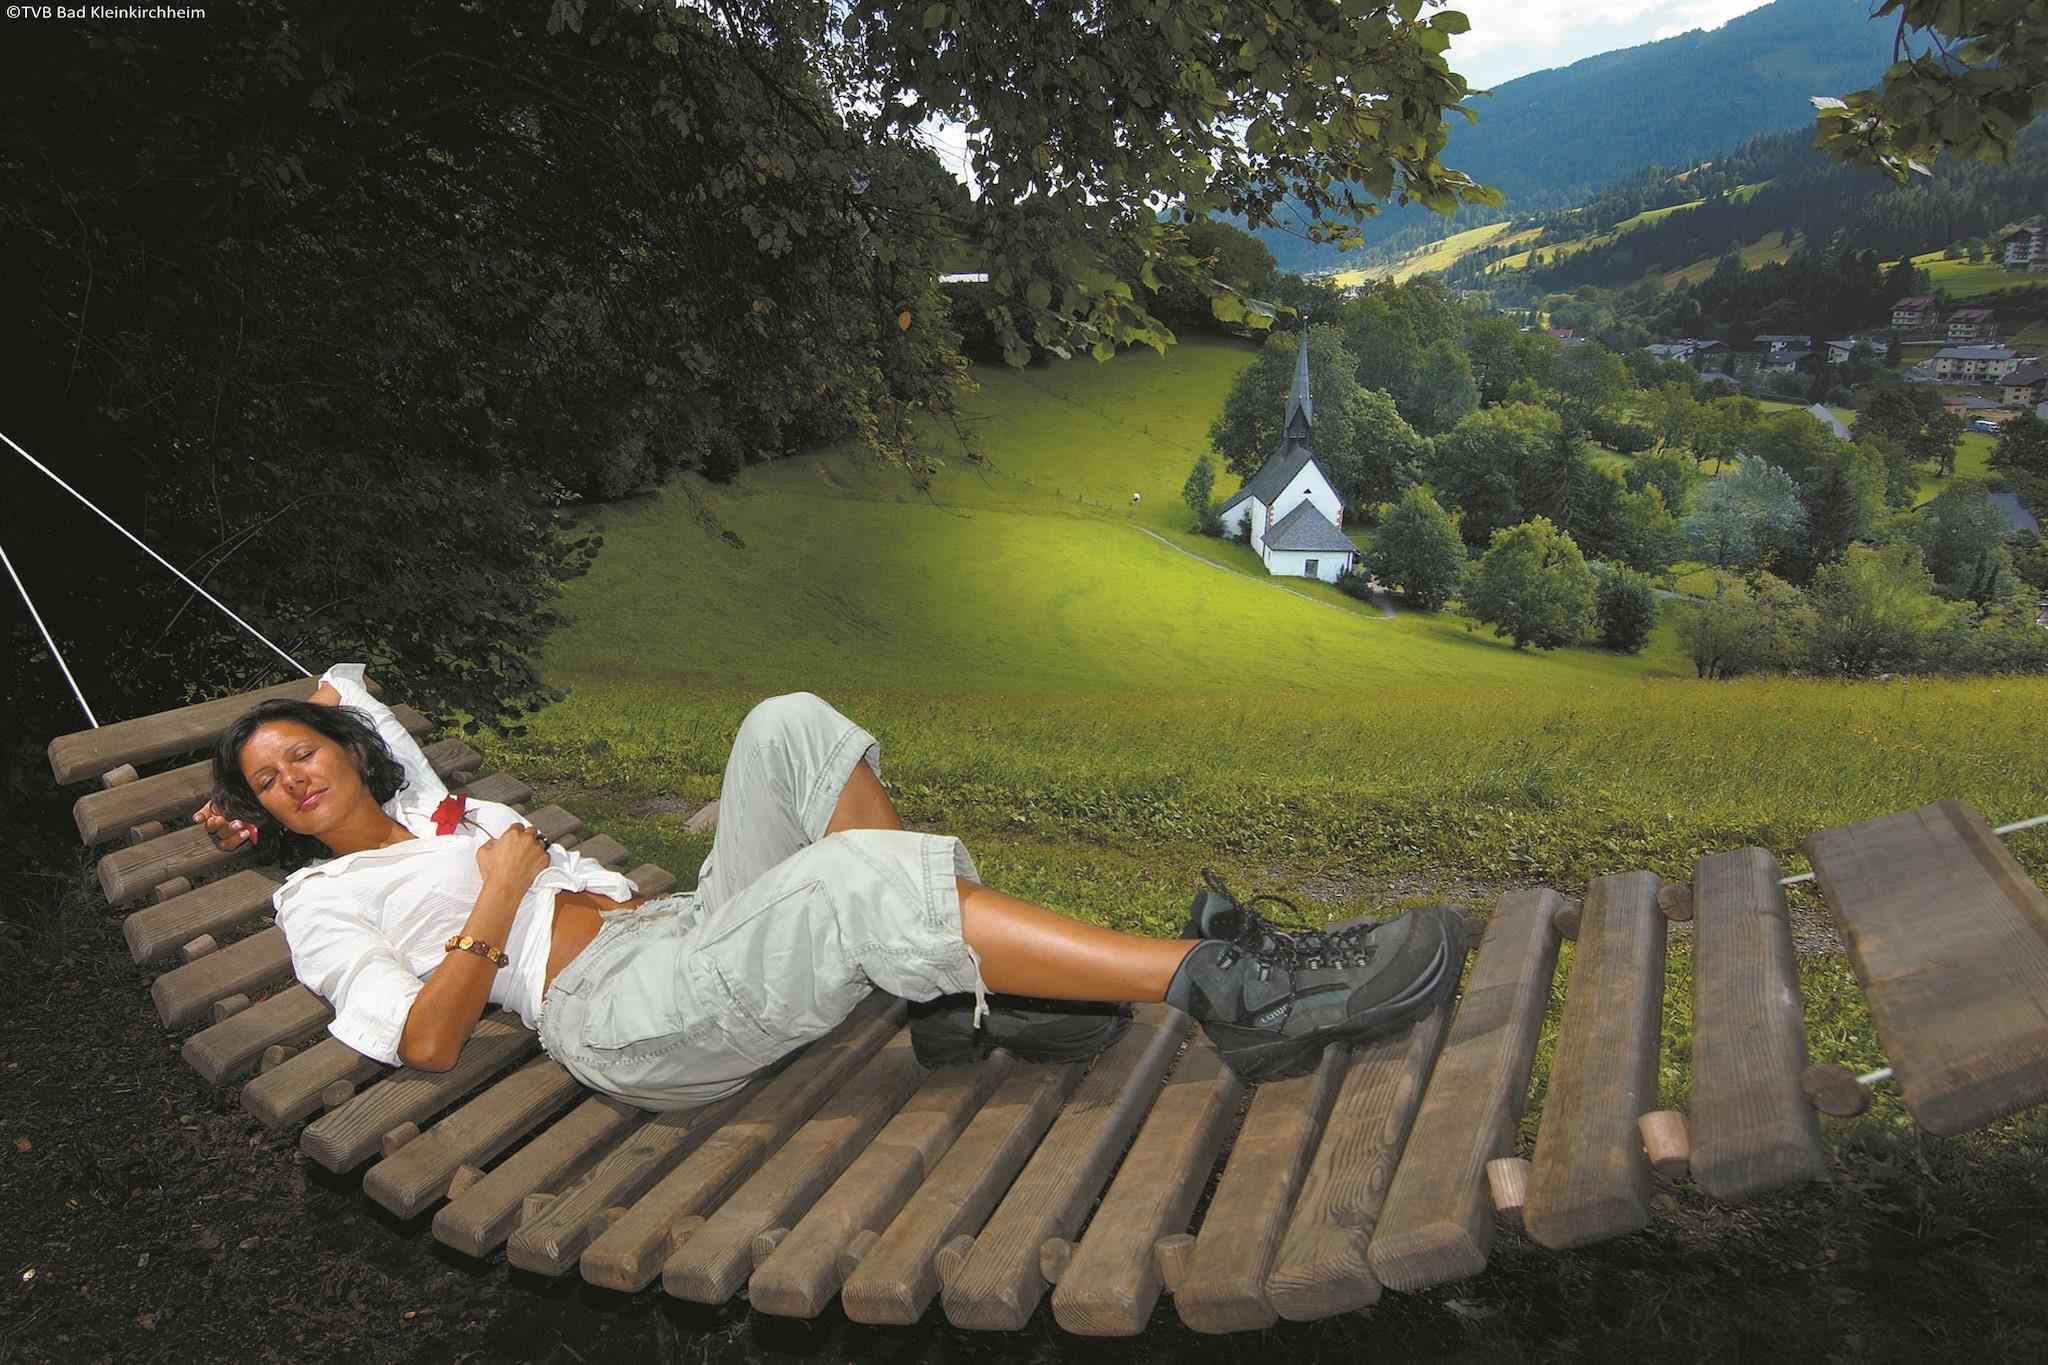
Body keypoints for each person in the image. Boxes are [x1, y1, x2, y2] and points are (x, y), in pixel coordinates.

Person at [196, 665, 1464, 1111]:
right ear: (264, 818)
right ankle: (1236, 992)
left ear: (346, 752)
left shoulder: (432, 808)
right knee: (852, 879)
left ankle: (948, 1000)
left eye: (300, 752)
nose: (293, 776)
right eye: (266, 783)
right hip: (618, 1016)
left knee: (789, 723)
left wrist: (308, 722)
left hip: (685, 929)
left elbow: (349, 690)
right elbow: (421, 1043)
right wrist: (496, 897)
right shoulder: (318, 904)